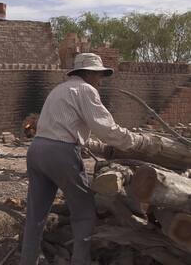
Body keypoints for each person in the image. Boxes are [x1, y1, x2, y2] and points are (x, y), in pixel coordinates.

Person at [20, 53, 149, 265]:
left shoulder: (58, 90)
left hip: (36, 150)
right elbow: (105, 128)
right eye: (98, 75)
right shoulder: (85, 90)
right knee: (84, 211)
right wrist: (134, 141)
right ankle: (81, 260)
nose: (100, 81)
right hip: (60, 153)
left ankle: (27, 261)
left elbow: (64, 127)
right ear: (88, 74)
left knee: (36, 215)